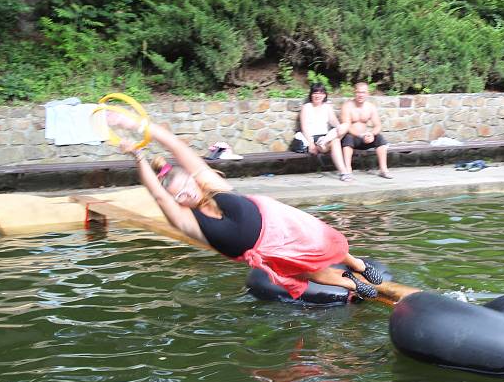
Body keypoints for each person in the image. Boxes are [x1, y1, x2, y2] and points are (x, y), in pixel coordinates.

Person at [106, 113, 384, 300]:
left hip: (278, 219)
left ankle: (356, 264)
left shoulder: (211, 185)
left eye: (187, 186)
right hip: (268, 249)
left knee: (326, 242)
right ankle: (351, 283)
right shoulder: (187, 222)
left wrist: (135, 125)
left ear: (193, 180)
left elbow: (176, 146)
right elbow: (158, 194)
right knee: (310, 272)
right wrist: (137, 154)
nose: (186, 194)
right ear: (176, 202)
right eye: (179, 196)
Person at [299, 83, 351, 181]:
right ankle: (344, 172)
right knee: (335, 141)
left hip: (327, 136)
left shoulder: (327, 107)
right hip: (314, 138)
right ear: (311, 94)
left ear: (324, 95)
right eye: (315, 93)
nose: (317, 95)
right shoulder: (306, 107)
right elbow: (304, 128)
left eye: (320, 93)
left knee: (345, 126)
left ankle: (325, 140)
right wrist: (311, 144)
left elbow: (334, 121)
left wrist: (339, 127)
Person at [340, 82, 392, 179]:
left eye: (363, 92)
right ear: (354, 92)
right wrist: (361, 135)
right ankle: (348, 170)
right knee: (348, 138)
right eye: (358, 92)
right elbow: (346, 126)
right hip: (353, 137)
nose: (360, 95)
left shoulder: (370, 107)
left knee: (379, 138)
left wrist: (371, 134)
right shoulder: (347, 106)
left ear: (367, 93)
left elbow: (378, 125)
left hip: (366, 138)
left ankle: (383, 170)